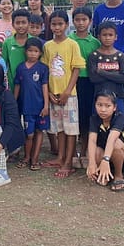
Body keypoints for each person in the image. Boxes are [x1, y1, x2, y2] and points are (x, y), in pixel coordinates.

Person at [41, 10, 86, 178]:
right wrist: (51, 93)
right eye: (54, 24)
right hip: (54, 95)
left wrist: (67, 91)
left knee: (71, 130)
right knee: (59, 128)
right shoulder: (47, 46)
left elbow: (76, 69)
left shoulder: (72, 44)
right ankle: (60, 158)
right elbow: (45, 69)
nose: (57, 27)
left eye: (60, 24)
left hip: (69, 95)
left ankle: (69, 161)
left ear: (66, 25)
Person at [68, 6, 100, 159]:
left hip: (89, 82)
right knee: (73, 116)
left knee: (87, 115)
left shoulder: (95, 42)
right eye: (77, 20)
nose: (80, 23)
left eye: (84, 20)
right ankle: (72, 151)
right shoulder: (69, 40)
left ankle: (86, 148)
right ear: (73, 21)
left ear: (90, 21)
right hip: (71, 82)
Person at [13, 38, 49, 171]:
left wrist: (46, 105)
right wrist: (14, 103)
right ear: (25, 51)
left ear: (40, 53)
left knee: (39, 131)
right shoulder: (21, 68)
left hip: (40, 108)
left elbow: (45, 87)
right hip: (27, 107)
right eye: (30, 51)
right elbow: (17, 86)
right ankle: (26, 157)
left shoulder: (43, 68)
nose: (33, 54)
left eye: (36, 51)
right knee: (29, 134)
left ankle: (35, 159)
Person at [86, 90, 124, 191]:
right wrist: (91, 162)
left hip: (121, 155)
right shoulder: (94, 119)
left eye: (107, 106)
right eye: (99, 105)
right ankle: (103, 174)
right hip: (103, 152)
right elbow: (92, 140)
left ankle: (118, 175)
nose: (103, 109)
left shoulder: (120, 118)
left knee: (116, 144)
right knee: (95, 150)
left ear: (114, 107)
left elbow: (112, 139)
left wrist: (105, 160)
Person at [87, 22, 124, 113]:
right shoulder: (94, 56)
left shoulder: (121, 56)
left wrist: (101, 72)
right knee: (98, 123)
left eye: (110, 35)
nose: (107, 38)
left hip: (118, 95)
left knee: (118, 121)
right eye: (104, 35)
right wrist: (115, 75)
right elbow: (94, 78)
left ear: (116, 37)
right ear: (98, 37)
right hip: (99, 96)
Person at [2, 9, 31, 91]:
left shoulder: (34, 41)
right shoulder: (7, 42)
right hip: (12, 85)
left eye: (24, 22)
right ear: (13, 24)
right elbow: (4, 63)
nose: (20, 26)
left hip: (30, 85)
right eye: (17, 23)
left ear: (29, 24)